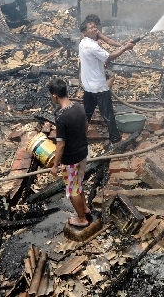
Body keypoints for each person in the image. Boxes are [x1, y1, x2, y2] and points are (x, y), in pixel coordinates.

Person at [79, 19, 135, 144]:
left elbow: (98, 57)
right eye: (91, 28)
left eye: (95, 27)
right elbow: (109, 57)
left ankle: (79, 137)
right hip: (99, 87)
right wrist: (125, 48)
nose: (95, 29)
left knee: (87, 114)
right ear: (85, 32)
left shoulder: (83, 42)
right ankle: (115, 139)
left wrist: (120, 46)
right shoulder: (93, 46)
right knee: (108, 115)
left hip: (88, 86)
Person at [47, 78, 91, 227]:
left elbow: (60, 145)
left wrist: (54, 165)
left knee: (72, 190)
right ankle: (84, 208)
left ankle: (81, 218)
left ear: (54, 96)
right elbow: (86, 127)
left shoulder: (61, 116)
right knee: (79, 183)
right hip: (83, 152)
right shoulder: (78, 106)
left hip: (70, 159)